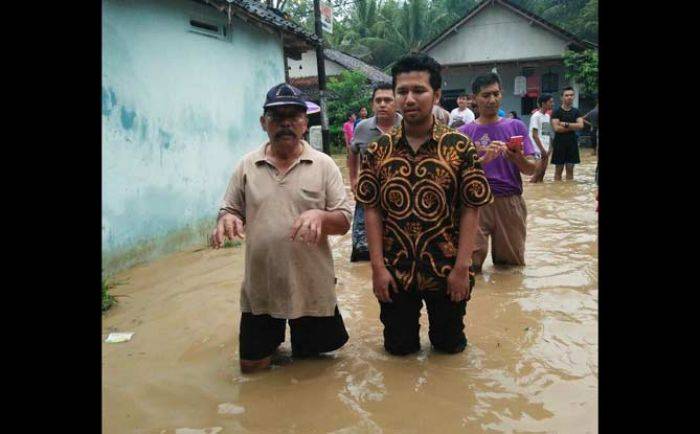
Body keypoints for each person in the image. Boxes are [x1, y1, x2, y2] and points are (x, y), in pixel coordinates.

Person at [356, 54, 493, 356]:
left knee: (449, 350)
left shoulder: (459, 147)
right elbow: (372, 210)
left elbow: (472, 208)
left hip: (447, 269)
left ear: (437, 95)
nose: (409, 99)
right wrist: (377, 268)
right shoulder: (377, 150)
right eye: (402, 91)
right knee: (399, 352)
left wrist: (462, 267)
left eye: (419, 90)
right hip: (395, 272)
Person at [211, 83, 353, 373]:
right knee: (252, 367)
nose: (285, 123)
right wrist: (227, 218)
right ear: (264, 123)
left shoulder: (324, 165)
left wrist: (320, 217)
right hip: (261, 286)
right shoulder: (247, 165)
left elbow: (344, 221)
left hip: (310, 284)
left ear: (305, 122)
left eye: (294, 116)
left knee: (312, 369)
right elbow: (230, 208)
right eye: (277, 117)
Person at [459, 73, 537, 270]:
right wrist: (481, 159)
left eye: (496, 94)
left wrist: (517, 158)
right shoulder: (463, 133)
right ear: (474, 98)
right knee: (469, 266)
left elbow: (532, 169)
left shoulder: (516, 126)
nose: (492, 100)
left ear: (501, 95)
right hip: (475, 203)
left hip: (509, 200)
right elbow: (456, 174)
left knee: (510, 267)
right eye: (486, 95)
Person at [348, 82, 403, 262]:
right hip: (368, 195)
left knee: (398, 249)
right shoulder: (362, 128)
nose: (382, 104)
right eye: (378, 100)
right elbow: (353, 152)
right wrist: (354, 179)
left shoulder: (407, 126)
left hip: (400, 198)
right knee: (363, 251)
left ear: (397, 103)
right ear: (372, 104)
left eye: (388, 100)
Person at [551, 86, 585, 181]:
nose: (569, 97)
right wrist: (573, 127)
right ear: (562, 97)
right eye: (567, 95)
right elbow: (557, 128)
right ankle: (558, 192)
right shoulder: (556, 112)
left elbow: (581, 126)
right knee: (558, 169)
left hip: (572, 142)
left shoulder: (576, 111)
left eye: (571, 95)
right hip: (559, 143)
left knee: (570, 169)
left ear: (574, 97)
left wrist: (565, 124)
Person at [528, 94, 554, 183]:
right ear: (543, 103)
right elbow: (534, 135)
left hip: (545, 148)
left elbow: (546, 133)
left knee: (542, 174)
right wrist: (542, 149)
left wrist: (550, 147)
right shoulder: (536, 116)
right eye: (550, 102)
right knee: (536, 174)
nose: (552, 104)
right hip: (537, 149)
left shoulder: (547, 116)